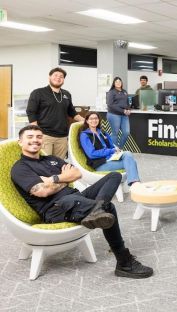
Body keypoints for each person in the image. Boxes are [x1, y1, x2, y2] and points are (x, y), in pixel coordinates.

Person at [11, 125, 153, 279]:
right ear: (20, 142)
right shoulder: (20, 168)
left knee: (114, 176)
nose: (35, 140)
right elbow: (42, 191)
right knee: (109, 207)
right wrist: (65, 179)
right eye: (30, 137)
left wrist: (54, 179)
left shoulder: (51, 159)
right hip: (56, 208)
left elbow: (77, 173)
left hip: (75, 197)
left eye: (38, 137)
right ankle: (124, 263)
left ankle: (97, 209)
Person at [26, 67, 85, 159]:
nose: (58, 78)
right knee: (44, 163)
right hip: (45, 135)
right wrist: (36, 132)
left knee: (59, 163)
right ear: (49, 77)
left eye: (61, 76)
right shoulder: (38, 93)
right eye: (56, 75)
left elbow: (72, 112)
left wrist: (86, 121)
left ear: (63, 80)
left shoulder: (67, 94)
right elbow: (31, 112)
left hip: (62, 136)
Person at [79, 112, 140, 186]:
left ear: (98, 120)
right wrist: (111, 151)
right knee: (132, 162)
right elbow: (91, 154)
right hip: (100, 164)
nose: (94, 120)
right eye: (91, 119)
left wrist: (116, 150)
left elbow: (112, 146)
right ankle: (135, 185)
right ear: (87, 121)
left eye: (96, 118)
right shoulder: (85, 135)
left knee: (128, 154)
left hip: (110, 159)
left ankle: (134, 184)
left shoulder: (102, 132)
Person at [106, 77, 131, 149]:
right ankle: (114, 151)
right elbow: (110, 105)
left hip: (124, 115)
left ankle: (119, 149)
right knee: (115, 133)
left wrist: (128, 109)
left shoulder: (124, 92)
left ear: (121, 83)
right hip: (114, 114)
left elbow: (127, 103)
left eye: (119, 81)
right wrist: (123, 111)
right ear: (114, 83)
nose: (118, 83)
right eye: (116, 82)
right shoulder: (111, 92)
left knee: (126, 132)